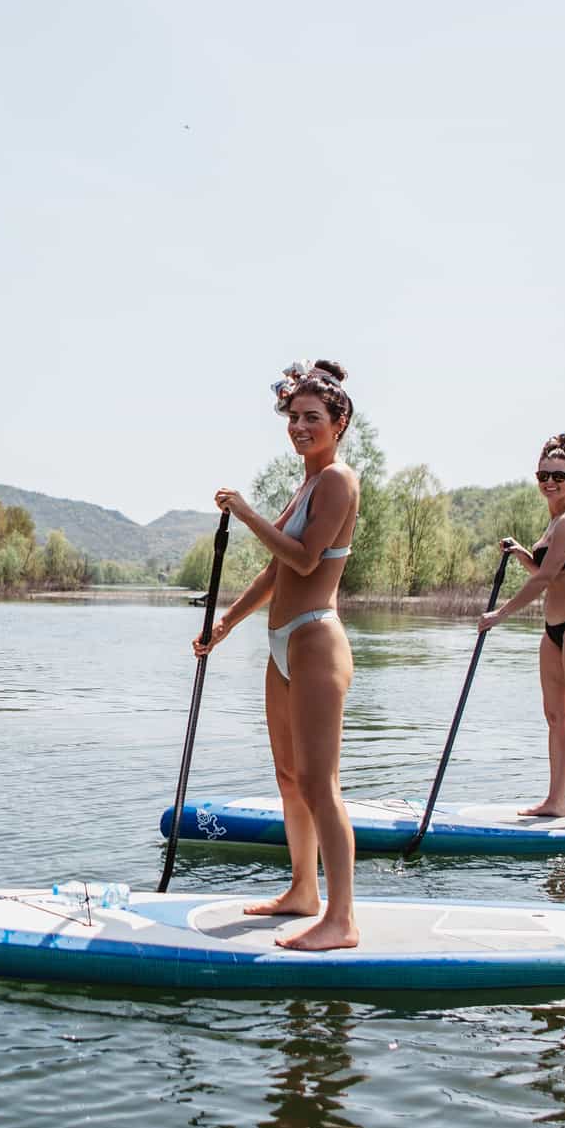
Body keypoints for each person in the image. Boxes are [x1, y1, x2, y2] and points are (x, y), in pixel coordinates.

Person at [193, 360, 362, 951]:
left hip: (316, 642)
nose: (299, 427)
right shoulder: (306, 484)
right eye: (293, 417)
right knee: (289, 778)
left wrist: (246, 513)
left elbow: (305, 560)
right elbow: (273, 572)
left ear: (338, 424)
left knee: (319, 783)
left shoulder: (338, 480)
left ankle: (342, 919)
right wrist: (225, 624)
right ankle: (302, 891)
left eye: (312, 418)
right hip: (282, 645)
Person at [478, 434, 565, 829]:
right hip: (554, 630)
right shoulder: (554, 521)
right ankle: (556, 801)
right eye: (543, 475)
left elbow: (545, 579)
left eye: (558, 475)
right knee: (555, 717)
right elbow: (546, 571)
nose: (549, 482)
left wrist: (500, 614)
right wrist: (522, 553)